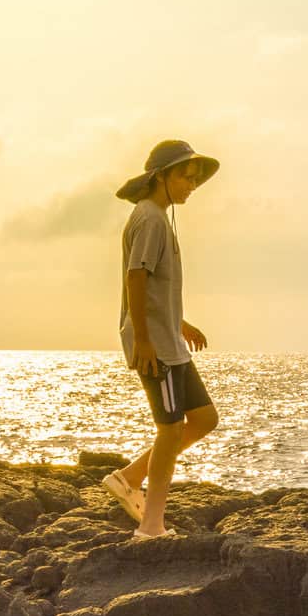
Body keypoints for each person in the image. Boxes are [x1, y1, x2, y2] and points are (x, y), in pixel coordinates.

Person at [109, 137, 221, 537]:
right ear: (161, 177)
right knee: (170, 429)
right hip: (155, 347)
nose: (192, 185)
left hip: (168, 341)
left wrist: (179, 323)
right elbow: (135, 278)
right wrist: (143, 340)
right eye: (185, 177)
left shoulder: (157, 216)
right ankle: (151, 527)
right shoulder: (151, 218)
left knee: (205, 419)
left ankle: (128, 478)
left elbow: (155, 286)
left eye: (195, 178)